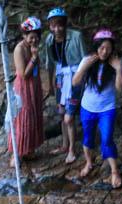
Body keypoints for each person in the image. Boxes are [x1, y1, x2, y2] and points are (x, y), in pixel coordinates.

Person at [72, 29, 122, 188]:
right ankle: (89, 163)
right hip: (87, 107)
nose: (104, 52)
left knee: (107, 138)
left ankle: (114, 171)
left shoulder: (115, 63)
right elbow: (75, 82)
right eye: (101, 48)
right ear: (96, 46)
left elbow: (120, 87)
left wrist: (118, 69)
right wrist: (84, 67)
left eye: (108, 48)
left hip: (107, 108)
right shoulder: (88, 60)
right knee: (87, 138)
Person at [42, 7, 86, 163]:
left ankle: (72, 150)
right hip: (60, 78)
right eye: (53, 25)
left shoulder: (76, 36)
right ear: (50, 26)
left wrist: (83, 82)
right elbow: (50, 64)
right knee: (61, 114)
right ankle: (64, 145)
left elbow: (85, 60)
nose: (57, 29)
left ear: (65, 24)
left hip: (75, 77)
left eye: (60, 25)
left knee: (69, 117)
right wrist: (50, 84)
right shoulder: (49, 40)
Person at [7, 16, 45, 164]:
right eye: (31, 37)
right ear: (24, 36)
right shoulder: (19, 49)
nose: (34, 40)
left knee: (34, 116)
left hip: (34, 86)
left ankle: (29, 149)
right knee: (23, 118)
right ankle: (16, 154)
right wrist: (34, 57)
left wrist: (35, 56)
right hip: (23, 88)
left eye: (36, 37)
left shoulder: (32, 47)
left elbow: (37, 66)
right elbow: (23, 74)